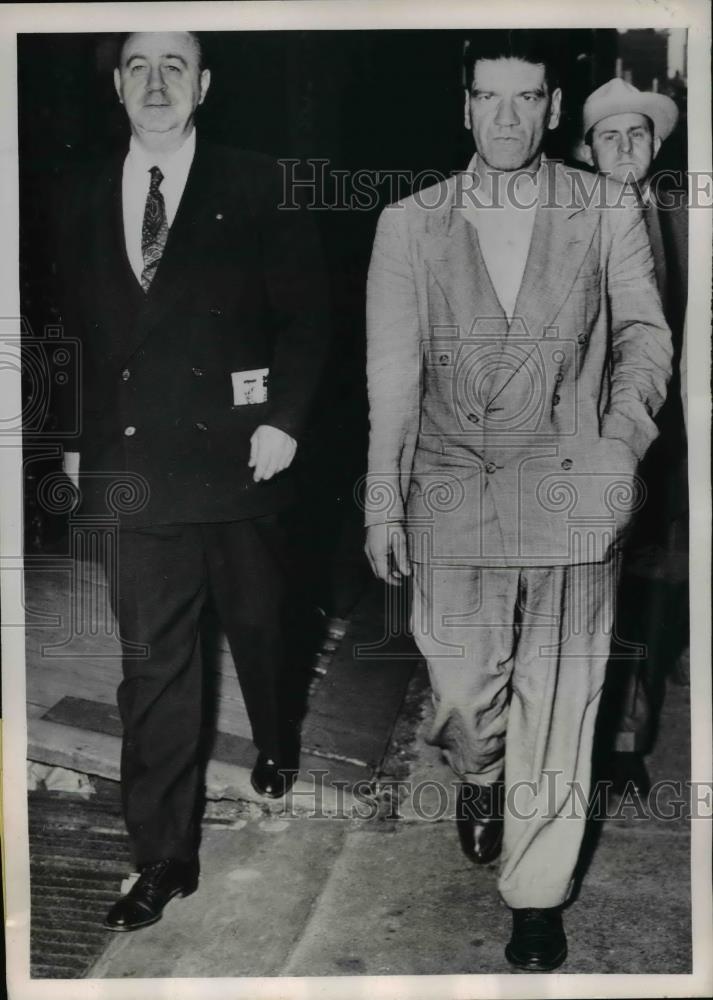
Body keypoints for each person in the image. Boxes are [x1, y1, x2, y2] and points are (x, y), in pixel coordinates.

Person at [364, 31, 672, 972]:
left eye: (524, 98)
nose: (505, 117)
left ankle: (536, 891)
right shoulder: (409, 223)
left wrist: (618, 447)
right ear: (464, 107)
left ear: (549, 107)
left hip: (572, 484)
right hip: (452, 489)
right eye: (487, 98)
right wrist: (383, 496)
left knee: (564, 695)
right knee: (462, 693)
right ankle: (481, 774)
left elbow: (644, 342)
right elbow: (391, 376)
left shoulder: (605, 207)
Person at [57, 31, 329, 931]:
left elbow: (306, 318)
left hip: (241, 457)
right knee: (154, 671)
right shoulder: (82, 193)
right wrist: (67, 438)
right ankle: (163, 856)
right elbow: (61, 329)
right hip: (131, 475)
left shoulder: (258, 181)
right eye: (138, 65)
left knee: (261, 628)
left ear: (204, 84)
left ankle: (278, 738)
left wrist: (285, 421)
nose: (157, 81)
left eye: (176, 64)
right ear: (118, 88)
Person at [580, 78, 688, 795]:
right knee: (590, 587)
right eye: (609, 137)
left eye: (637, 136)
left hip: (671, 438)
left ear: (656, 145)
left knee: (652, 586)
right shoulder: (570, 220)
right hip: (592, 437)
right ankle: (576, 743)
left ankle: (624, 739)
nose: (625, 149)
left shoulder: (681, 217)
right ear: (587, 149)